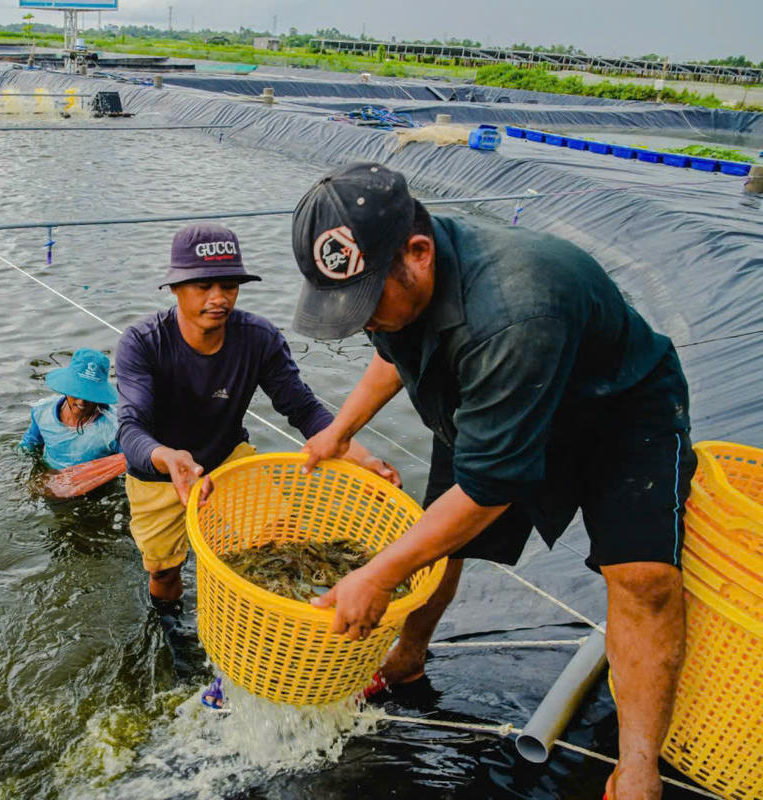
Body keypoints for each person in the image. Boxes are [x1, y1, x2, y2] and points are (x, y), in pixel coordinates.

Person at [292, 162, 695, 800]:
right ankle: (407, 655)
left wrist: (375, 575)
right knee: (435, 542)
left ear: (418, 254)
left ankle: (639, 765)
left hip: (617, 411)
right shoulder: (402, 297)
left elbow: (488, 490)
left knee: (643, 579)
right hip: (488, 398)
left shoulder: (514, 307)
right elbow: (389, 354)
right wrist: (341, 430)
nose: (364, 320)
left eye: (367, 304)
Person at [115, 222, 398, 649]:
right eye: (204, 285)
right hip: (159, 470)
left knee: (277, 545)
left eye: (229, 285)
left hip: (228, 458)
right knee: (163, 570)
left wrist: (362, 456)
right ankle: (171, 631)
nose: (219, 298)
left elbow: (303, 409)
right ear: (175, 289)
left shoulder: (259, 339)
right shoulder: (143, 342)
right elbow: (130, 428)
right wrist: (168, 458)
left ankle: (262, 633)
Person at [20, 348, 120, 470]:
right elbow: (29, 445)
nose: (81, 401)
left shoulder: (115, 428)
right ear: (68, 388)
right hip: (49, 476)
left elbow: (132, 461)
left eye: (89, 394)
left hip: (94, 483)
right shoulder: (42, 412)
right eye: (77, 392)